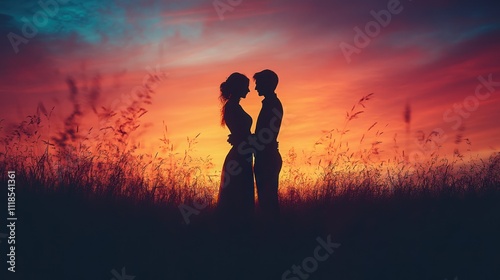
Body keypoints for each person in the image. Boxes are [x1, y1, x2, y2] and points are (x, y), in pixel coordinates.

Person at [216, 72, 255, 230]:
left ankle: (238, 229)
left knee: (240, 193)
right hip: (239, 155)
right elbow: (241, 134)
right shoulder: (232, 107)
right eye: (246, 87)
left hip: (242, 154)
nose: (248, 91)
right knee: (238, 194)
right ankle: (237, 230)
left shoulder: (234, 106)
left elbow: (240, 134)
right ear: (239, 88)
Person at [253, 69, 283, 223]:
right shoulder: (271, 104)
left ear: (267, 84)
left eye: (258, 84)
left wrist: (243, 139)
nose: (256, 88)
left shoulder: (272, 105)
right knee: (267, 200)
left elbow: (265, 136)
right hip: (267, 156)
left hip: (267, 157)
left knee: (268, 201)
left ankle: (273, 234)